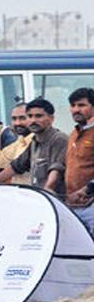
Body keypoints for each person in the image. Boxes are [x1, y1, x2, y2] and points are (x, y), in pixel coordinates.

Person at [0, 98, 68, 197]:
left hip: (54, 198)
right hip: (38, 196)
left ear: (51, 118)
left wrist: (48, 188)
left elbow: (57, 168)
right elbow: (16, 166)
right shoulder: (34, 141)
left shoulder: (58, 138)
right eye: (30, 116)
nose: (33, 120)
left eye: (39, 116)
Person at [63, 88, 94, 233]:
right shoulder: (74, 134)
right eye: (73, 105)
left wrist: (88, 189)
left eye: (81, 105)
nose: (76, 110)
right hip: (74, 205)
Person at [0, 102, 33, 185]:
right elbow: (0, 160)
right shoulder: (20, 141)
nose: (17, 123)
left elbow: (16, 167)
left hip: (35, 194)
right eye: (14, 119)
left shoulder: (37, 141)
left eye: (22, 118)